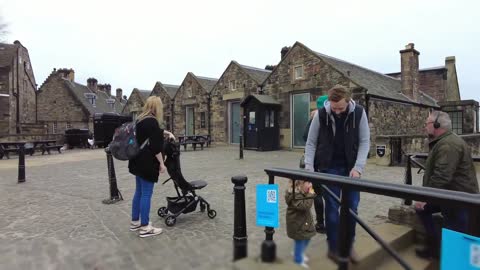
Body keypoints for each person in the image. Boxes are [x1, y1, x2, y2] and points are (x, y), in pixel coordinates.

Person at [304, 85, 370, 263]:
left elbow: (365, 142)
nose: (338, 112)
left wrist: (358, 167)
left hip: (351, 168)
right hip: (329, 168)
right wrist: (309, 169)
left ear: (348, 101)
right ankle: (333, 248)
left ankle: (349, 247)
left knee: (352, 209)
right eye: (334, 108)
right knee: (332, 211)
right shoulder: (320, 114)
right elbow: (310, 143)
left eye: (341, 108)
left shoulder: (359, 113)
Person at [415, 111, 479, 259]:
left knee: (456, 238)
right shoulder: (444, 142)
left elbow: (442, 176)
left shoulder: (448, 145)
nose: (425, 126)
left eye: (427, 123)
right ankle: (435, 249)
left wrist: (425, 197)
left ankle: (445, 254)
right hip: (449, 195)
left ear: (437, 125)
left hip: (458, 199)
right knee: (422, 210)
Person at [128, 96, 175, 238]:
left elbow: (151, 135)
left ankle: (135, 222)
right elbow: (155, 147)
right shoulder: (152, 121)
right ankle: (145, 227)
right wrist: (162, 164)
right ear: (156, 107)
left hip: (136, 161)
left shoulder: (140, 120)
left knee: (139, 192)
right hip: (147, 163)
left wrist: (166, 132)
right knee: (146, 194)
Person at [302, 95, 328, 234]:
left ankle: (321, 223)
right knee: (327, 194)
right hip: (324, 162)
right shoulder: (330, 116)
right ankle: (326, 222)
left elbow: (305, 137)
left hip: (315, 161)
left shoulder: (315, 117)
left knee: (318, 193)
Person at [285, 179, 316, 268]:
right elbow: (305, 206)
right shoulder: (295, 195)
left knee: (307, 237)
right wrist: (310, 194)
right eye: (309, 182)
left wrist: (309, 193)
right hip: (297, 224)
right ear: (300, 184)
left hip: (302, 222)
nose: (311, 185)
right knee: (300, 240)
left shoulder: (301, 192)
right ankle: (298, 260)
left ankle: (297, 252)